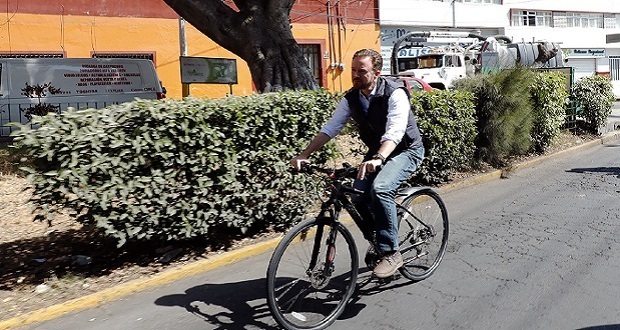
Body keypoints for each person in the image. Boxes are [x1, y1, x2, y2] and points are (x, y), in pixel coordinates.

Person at [290, 49, 425, 278]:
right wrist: (304, 154)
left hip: (406, 150)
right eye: (353, 70)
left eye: (361, 71)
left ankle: (392, 252)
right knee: (357, 194)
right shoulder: (352, 97)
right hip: (377, 153)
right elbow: (331, 128)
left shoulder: (394, 93)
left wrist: (379, 158)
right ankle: (379, 238)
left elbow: (395, 131)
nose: (355, 75)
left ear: (377, 73)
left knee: (381, 189)